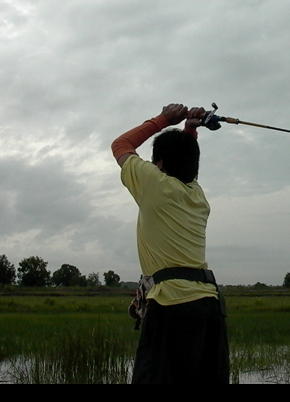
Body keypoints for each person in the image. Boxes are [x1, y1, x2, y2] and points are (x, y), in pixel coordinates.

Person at [111, 103, 229, 384]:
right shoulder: (197, 195)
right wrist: (189, 128)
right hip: (209, 308)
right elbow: (187, 166)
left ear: (160, 164)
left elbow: (121, 144)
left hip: (171, 307)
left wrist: (164, 119)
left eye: (155, 162)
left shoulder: (156, 184)